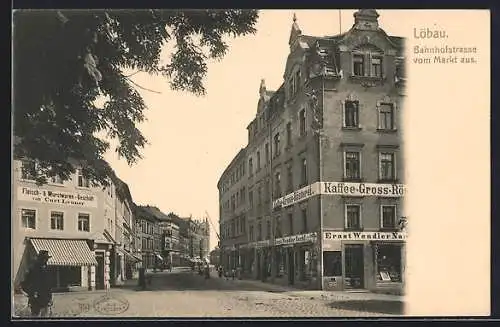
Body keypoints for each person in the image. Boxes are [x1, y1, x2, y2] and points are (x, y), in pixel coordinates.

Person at [21, 250, 53, 317]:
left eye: (46, 259)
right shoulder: (33, 269)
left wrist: (50, 298)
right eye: (45, 259)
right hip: (35, 298)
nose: (46, 261)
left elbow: (49, 285)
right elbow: (25, 283)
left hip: (45, 298)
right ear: (41, 259)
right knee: (35, 316)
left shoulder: (47, 269)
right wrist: (30, 293)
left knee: (44, 317)